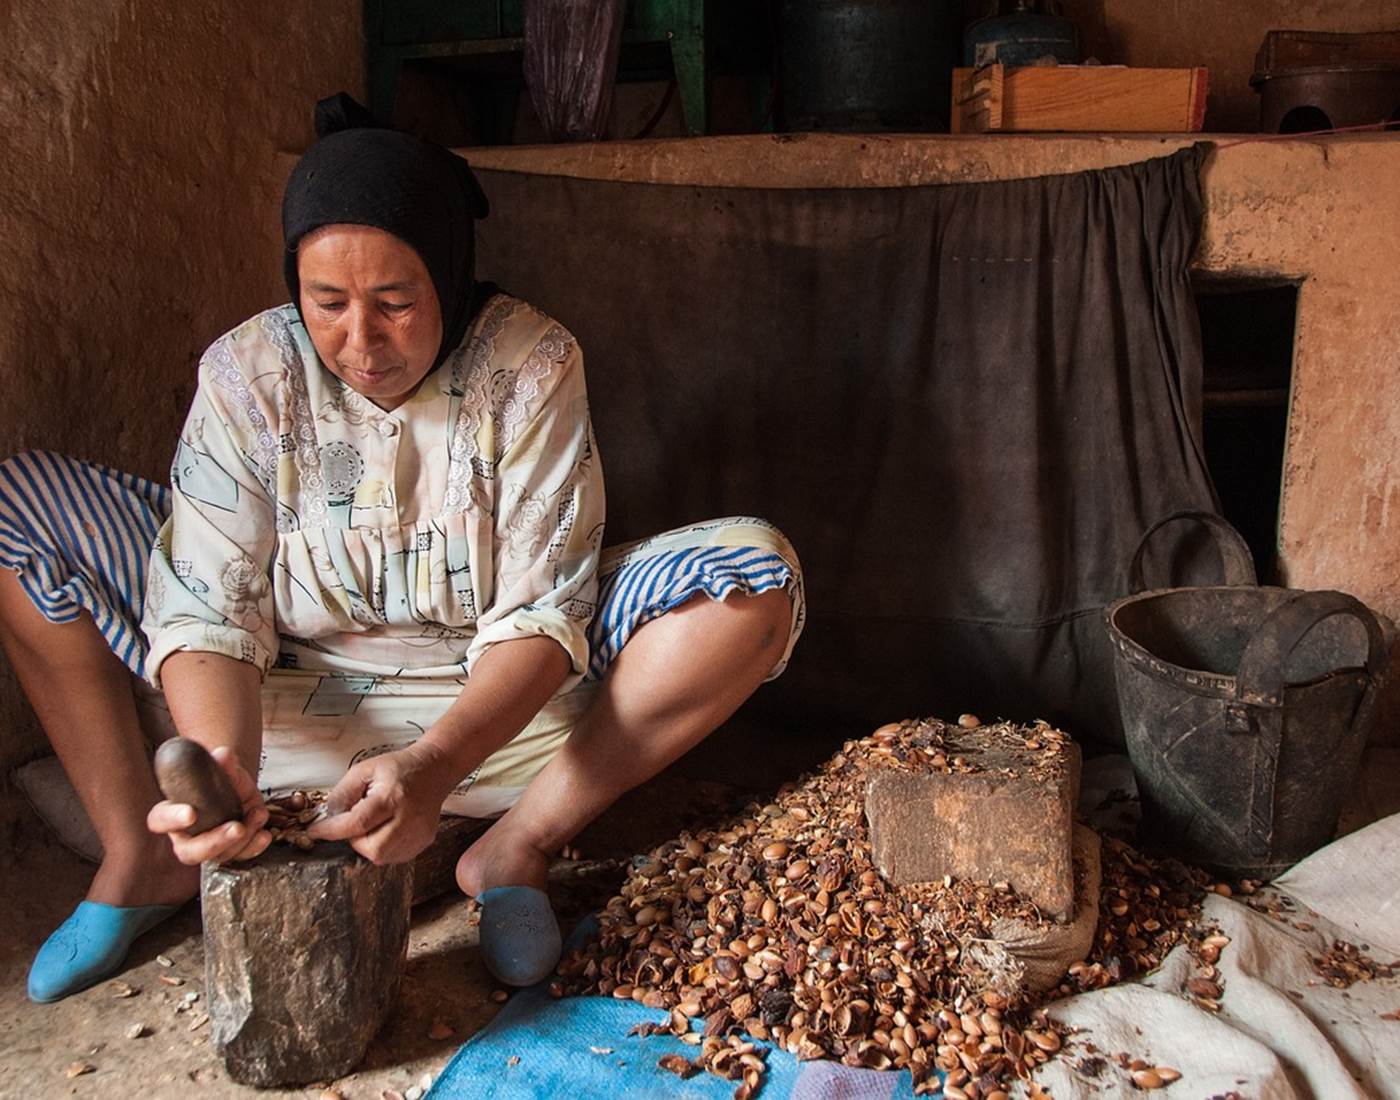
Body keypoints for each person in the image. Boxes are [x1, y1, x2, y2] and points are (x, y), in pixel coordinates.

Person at [0, 94, 804, 1003]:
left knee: (751, 578)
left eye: (395, 302)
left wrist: (429, 770)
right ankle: (142, 854)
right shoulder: (248, 374)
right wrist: (220, 765)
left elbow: (544, 610)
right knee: (18, 507)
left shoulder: (529, 365)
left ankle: (517, 844)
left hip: (496, 715)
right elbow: (208, 601)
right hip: (281, 705)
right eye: (327, 303)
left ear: (450, 276)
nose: (360, 342)